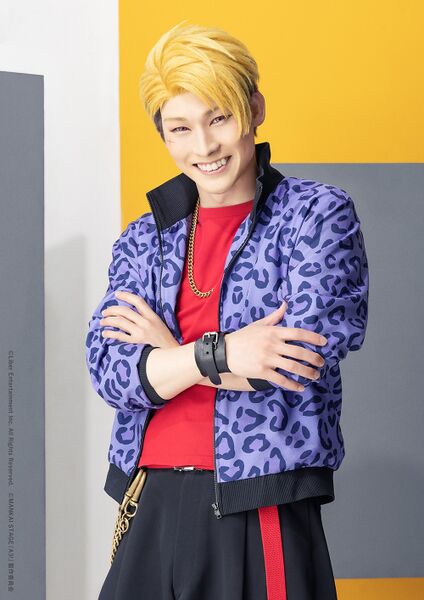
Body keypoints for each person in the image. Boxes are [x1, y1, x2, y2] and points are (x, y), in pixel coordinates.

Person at [85, 20, 369, 600]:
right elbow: (112, 373)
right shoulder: (144, 238)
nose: (204, 146)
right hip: (148, 499)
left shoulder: (315, 216)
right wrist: (221, 353)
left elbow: (296, 361)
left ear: (254, 110)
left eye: (219, 119)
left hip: (260, 501)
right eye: (180, 128)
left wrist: (169, 356)